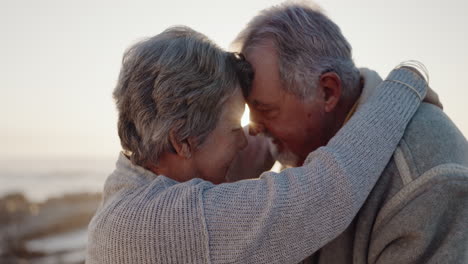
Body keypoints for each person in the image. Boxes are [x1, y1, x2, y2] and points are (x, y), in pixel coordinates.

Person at [86, 26, 429, 264]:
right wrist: (406, 83)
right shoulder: (159, 226)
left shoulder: (130, 187)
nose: (246, 138)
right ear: (182, 140)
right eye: (235, 126)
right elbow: (326, 194)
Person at [233, 2, 468, 263]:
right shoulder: (298, 139)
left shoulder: (424, 183)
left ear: (328, 91)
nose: (253, 126)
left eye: (266, 109)